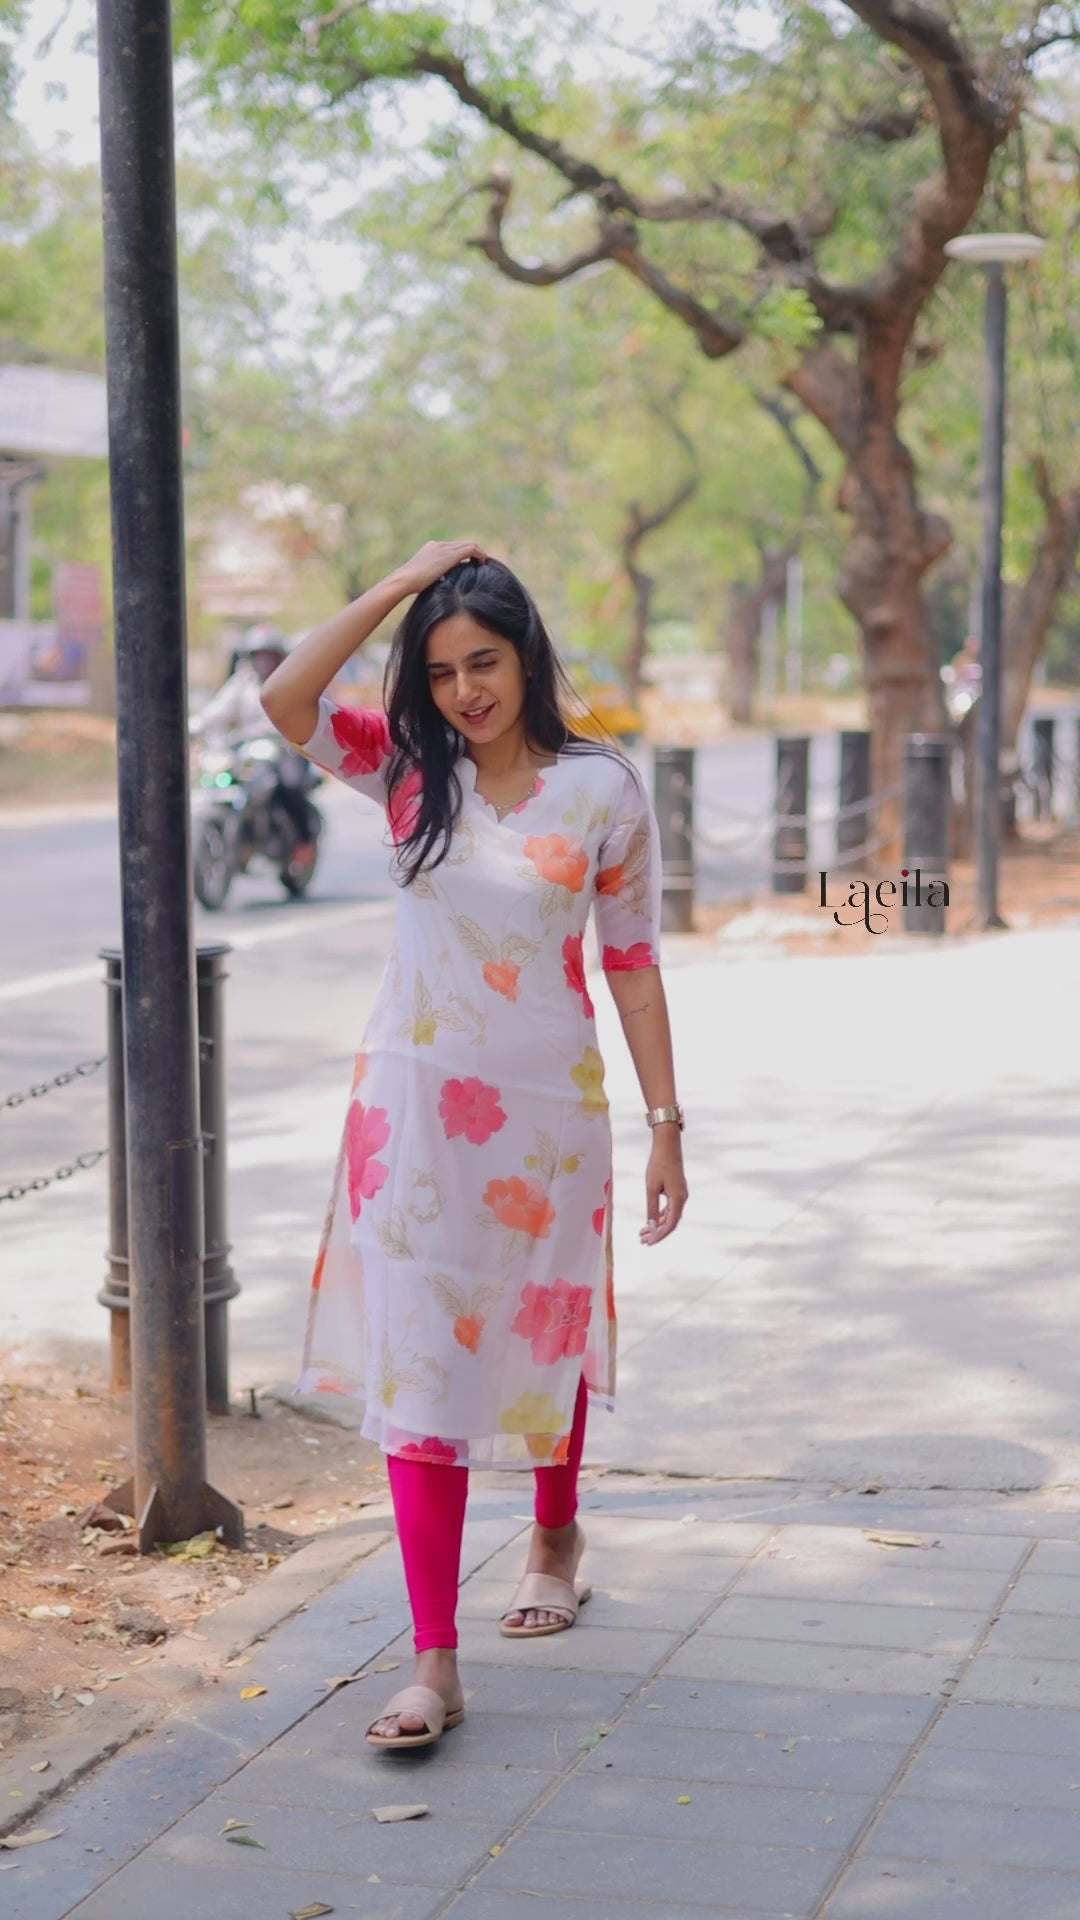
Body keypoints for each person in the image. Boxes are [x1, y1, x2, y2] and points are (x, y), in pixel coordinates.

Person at [261, 540, 688, 1751]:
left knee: (541, 1322)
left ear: (527, 654)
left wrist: (667, 1127)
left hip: (550, 1113)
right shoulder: (407, 770)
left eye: (484, 662)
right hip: (411, 1110)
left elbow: (634, 963)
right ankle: (434, 1659)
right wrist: (398, 587)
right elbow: (286, 700)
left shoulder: (602, 789)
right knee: (421, 1359)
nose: (466, 691)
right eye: (441, 670)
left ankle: (556, 1532)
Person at [193, 626, 319, 852]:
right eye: (258, 656)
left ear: (279, 656)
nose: (263, 662)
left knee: (290, 785)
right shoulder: (243, 682)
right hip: (248, 747)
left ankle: (304, 842)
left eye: (268, 656)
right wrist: (194, 726)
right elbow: (218, 710)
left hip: (285, 746)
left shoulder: (290, 681)